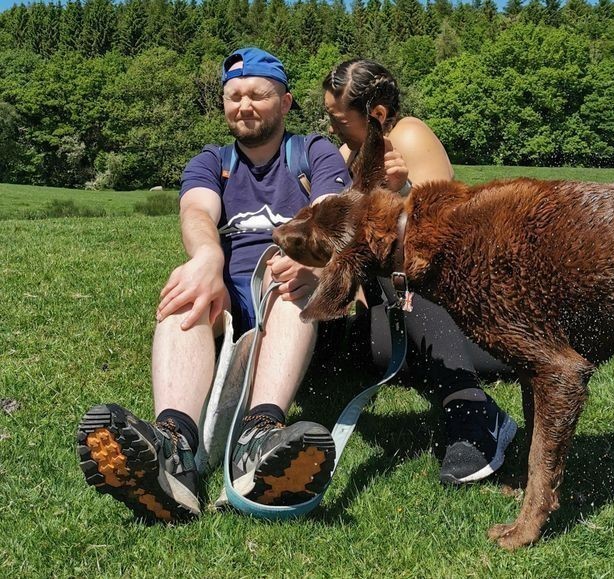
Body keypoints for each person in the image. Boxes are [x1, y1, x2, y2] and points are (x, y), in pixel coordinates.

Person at [77, 47, 352, 522]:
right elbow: (197, 211)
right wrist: (206, 257)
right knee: (185, 292)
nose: (244, 105)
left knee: (282, 270)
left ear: (285, 103)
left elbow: (333, 211)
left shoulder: (312, 153)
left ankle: (258, 436)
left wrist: (315, 255)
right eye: (234, 96)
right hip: (227, 305)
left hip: (294, 302)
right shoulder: (213, 161)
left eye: (258, 95)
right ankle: (173, 452)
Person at [322, 59, 518, 485]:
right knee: (331, 338)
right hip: (395, 323)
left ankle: (473, 412)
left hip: (461, 314)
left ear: (374, 114)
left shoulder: (408, 135)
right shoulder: (343, 157)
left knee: (406, 286)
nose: (331, 127)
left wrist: (404, 191)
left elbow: (443, 239)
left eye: (338, 119)